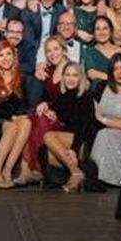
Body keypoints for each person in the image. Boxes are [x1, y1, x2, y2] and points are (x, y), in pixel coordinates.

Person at [35, 61, 93, 191]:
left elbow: (83, 127)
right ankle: (75, 169)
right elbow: (54, 109)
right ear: (63, 77)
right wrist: (48, 108)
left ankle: (75, 172)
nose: (70, 79)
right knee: (43, 152)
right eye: (67, 75)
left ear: (80, 78)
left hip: (81, 141)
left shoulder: (86, 96)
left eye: (75, 75)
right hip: (67, 141)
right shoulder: (62, 97)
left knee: (48, 136)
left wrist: (74, 149)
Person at [0, 41, 32, 188]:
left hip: (11, 120)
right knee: (12, 126)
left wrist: (14, 114)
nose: (5, 58)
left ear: (14, 56)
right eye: (1, 55)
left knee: (27, 122)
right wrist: (11, 114)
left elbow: (23, 106)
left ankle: (7, 170)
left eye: (8, 54)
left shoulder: (20, 78)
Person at [89, 53, 121, 186]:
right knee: (96, 133)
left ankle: (102, 178)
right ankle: (93, 175)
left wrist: (103, 120)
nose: (119, 73)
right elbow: (96, 111)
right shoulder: (104, 88)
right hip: (104, 131)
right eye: (115, 69)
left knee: (103, 134)